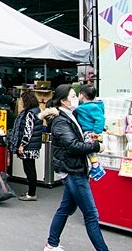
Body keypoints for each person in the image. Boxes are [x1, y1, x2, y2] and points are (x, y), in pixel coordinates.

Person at [43, 85, 108, 251]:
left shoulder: (69, 116)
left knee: (65, 209)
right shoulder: (60, 121)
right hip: (73, 172)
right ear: (64, 101)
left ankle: (51, 244)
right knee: (91, 215)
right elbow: (73, 145)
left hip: (74, 169)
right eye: (72, 96)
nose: (76, 98)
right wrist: (96, 146)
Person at [9, 91, 43, 201]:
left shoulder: (29, 113)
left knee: (29, 169)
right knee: (31, 168)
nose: (20, 102)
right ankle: (31, 191)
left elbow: (28, 131)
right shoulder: (37, 111)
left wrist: (22, 145)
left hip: (29, 146)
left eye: (22, 100)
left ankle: (32, 193)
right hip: (34, 145)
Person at [74, 84, 106, 181]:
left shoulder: (90, 107)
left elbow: (100, 119)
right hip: (88, 131)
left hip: (90, 132)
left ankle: (96, 167)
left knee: (90, 149)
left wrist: (96, 132)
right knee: (89, 150)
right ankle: (94, 167)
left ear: (82, 95)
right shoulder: (87, 106)